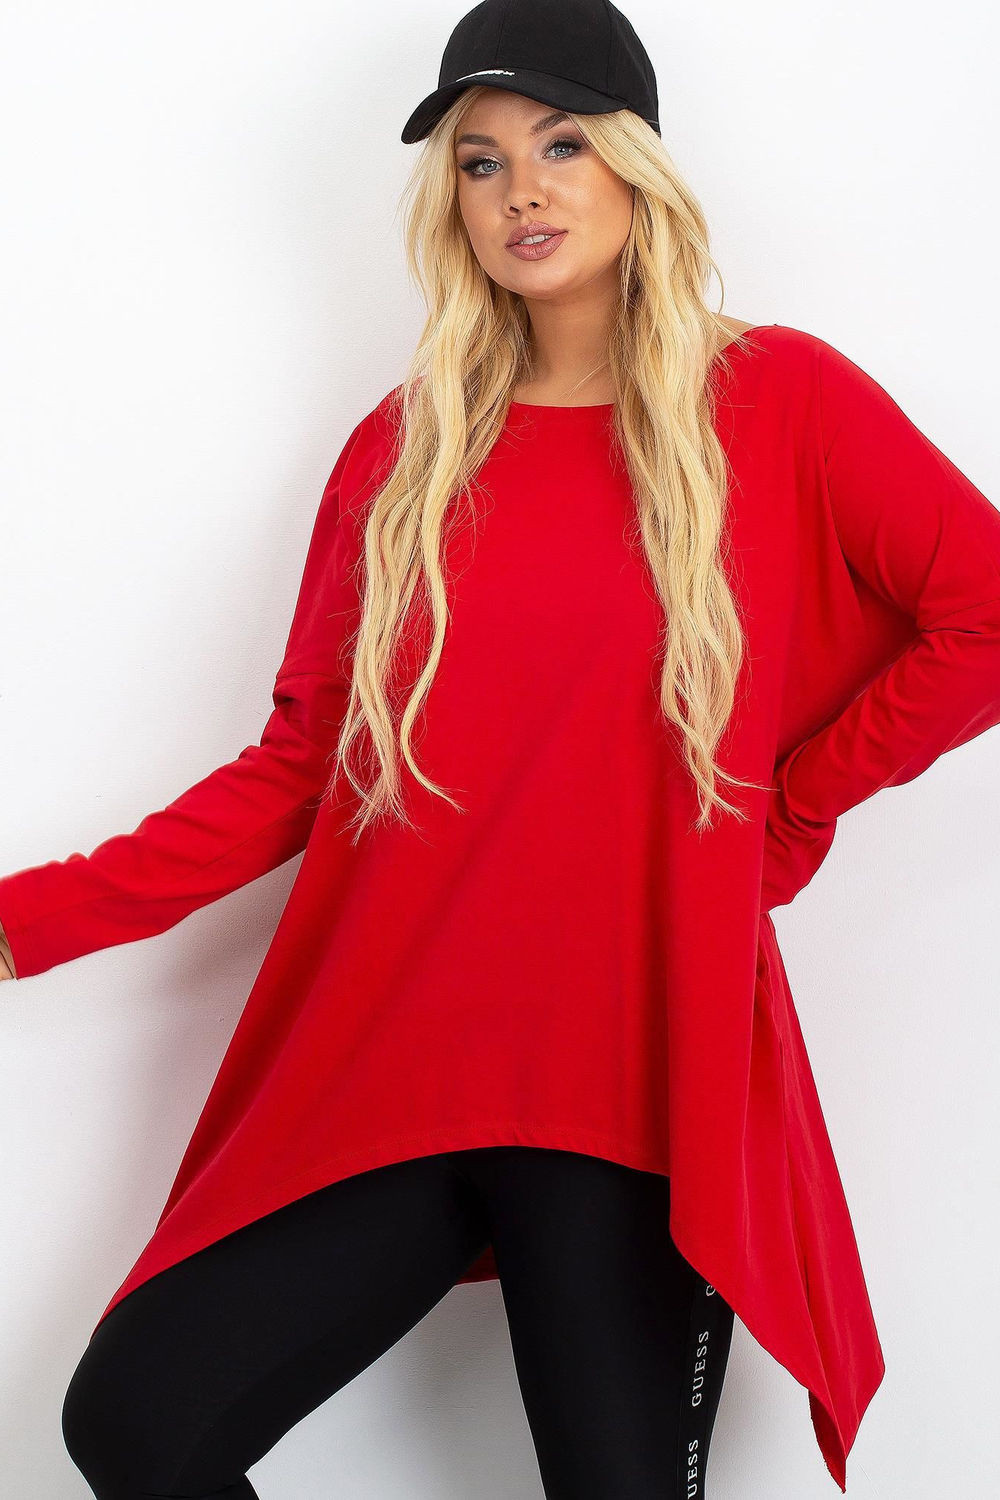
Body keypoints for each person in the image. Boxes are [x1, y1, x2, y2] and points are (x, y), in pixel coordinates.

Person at [2, 1, 999, 1495]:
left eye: (562, 144)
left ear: (637, 168)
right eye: (481, 162)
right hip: (397, 1063)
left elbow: (981, 612)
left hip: (632, 1087)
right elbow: (297, 769)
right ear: (452, 204)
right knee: (141, 1418)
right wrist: (25, 922)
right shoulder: (404, 454)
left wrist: (786, 810)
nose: (522, 189)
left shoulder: (780, 400)